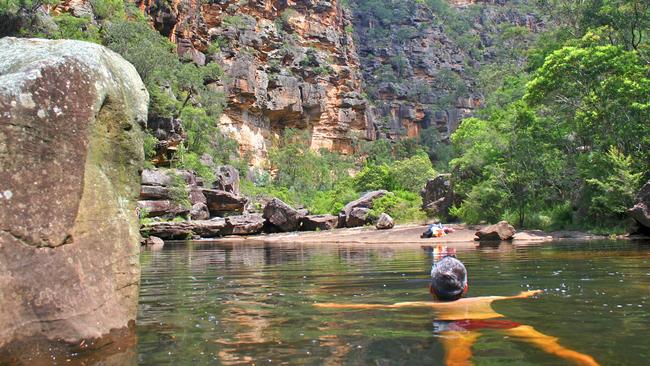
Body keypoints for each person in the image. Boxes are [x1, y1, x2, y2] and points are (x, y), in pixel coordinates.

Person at [314, 246, 599, 366]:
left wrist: (330, 305)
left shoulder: (428, 307)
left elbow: (379, 308)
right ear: (466, 288)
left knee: (457, 360)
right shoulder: (482, 300)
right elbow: (511, 298)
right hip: (495, 321)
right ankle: (587, 361)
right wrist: (528, 294)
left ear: (430, 290)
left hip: (454, 328)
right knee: (554, 347)